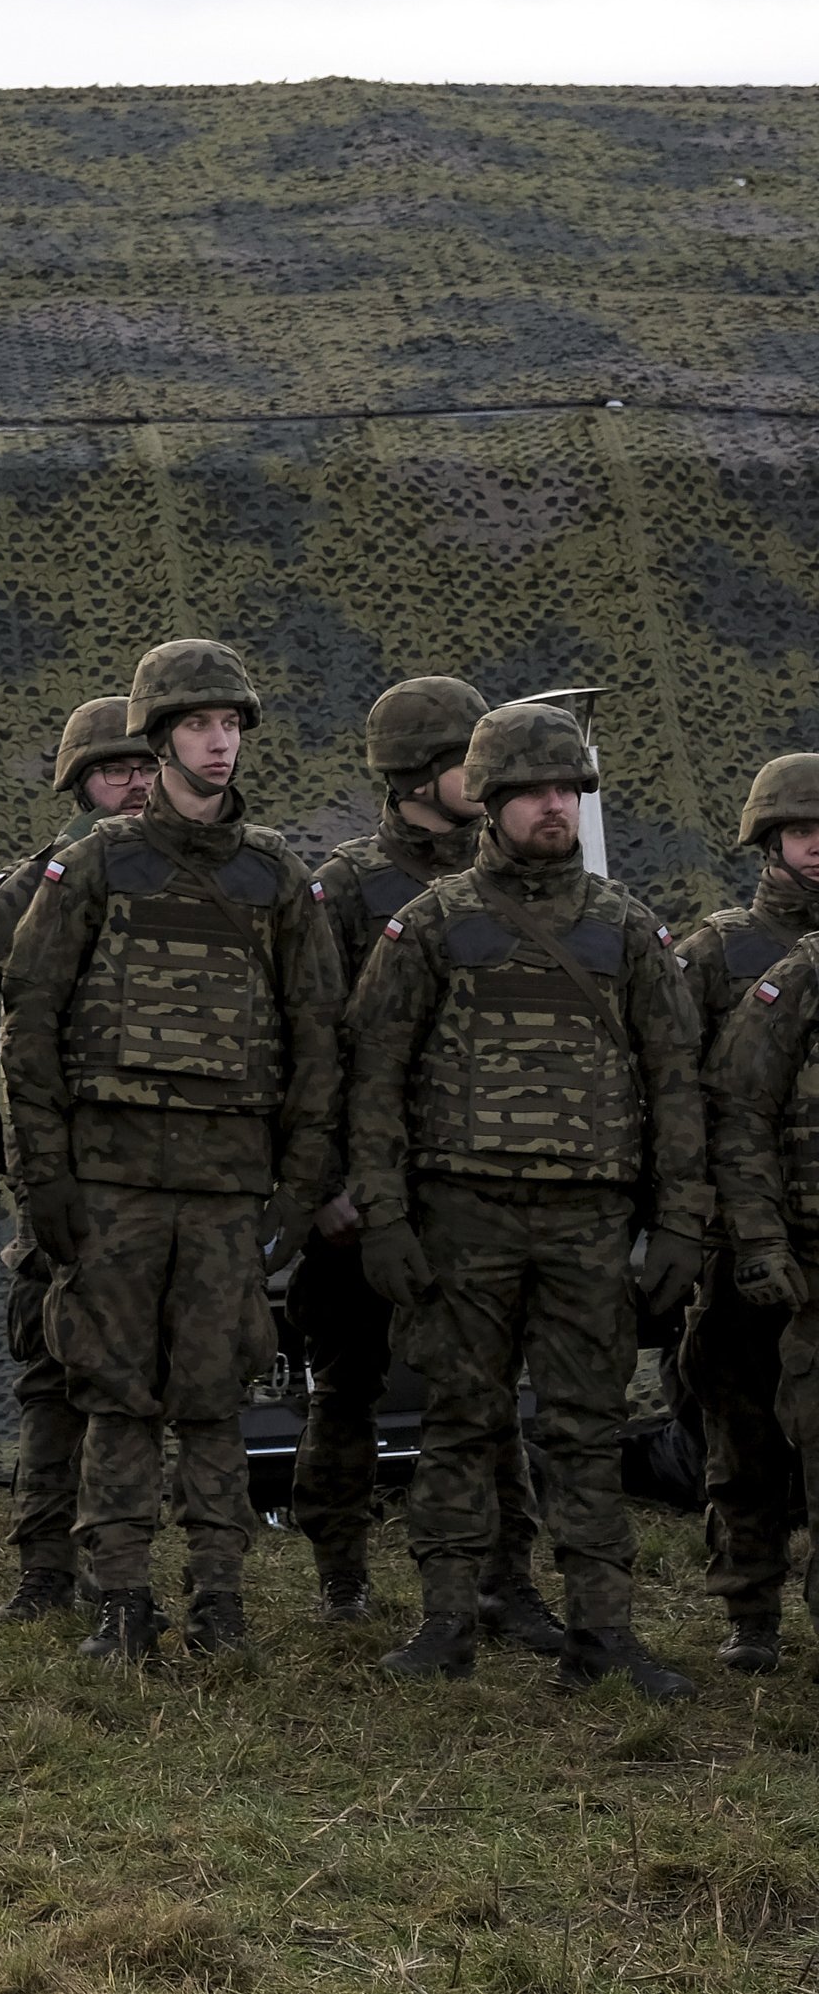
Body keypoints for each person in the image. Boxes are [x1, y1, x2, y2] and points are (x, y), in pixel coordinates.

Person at [345, 700, 709, 1698]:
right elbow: (373, 1074)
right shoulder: (430, 925)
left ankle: (605, 1636)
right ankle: (446, 1625)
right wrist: (380, 1210)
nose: (553, 808)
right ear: (492, 800)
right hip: (463, 1218)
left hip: (589, 1222)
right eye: (532, 792)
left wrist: (680, 1219)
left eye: (566, 791)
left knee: (584, 1427)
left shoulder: (626, 930)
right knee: (462, 1423)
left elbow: (676, 1082)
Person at [0, 643, 342, 1660]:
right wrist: (45, 1176)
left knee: (211, 1397)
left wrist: (298, 1180)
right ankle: (114, 1604)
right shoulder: (97, 865)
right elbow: (31, 1018)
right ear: (158, 739)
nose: (219, 743)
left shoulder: (274, 874)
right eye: (197, 725)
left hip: (226, 1185)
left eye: (231, 725)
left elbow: (316, 1031)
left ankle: (219, 1605)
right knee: (111, 1392)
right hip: (112, 1180)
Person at [299, 674, 552, 1639]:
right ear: (413, 773)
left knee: (482, 1388)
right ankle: (341, 1570)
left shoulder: (515, 885)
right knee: (348, 1382)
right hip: (367, 1190)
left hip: (471, 1187)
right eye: (464, 762)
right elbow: (313, 1043)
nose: (489, 778)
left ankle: (504, 1578)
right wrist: (329, 1186)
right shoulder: (348, 887)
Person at [0, 695, 153, 1619]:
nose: (135, 784)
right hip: (63, 1165)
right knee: (52, 1367)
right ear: (80, 782)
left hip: (166, 1161)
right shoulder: (54, 870)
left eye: (146, 767)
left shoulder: (194, 872)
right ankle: (43, 1569)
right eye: (114, 771)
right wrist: (74, 847)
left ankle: (146, 1572)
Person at [674, 753, 819, 1673]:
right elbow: (691, 1100)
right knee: (744, 1434)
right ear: (769, 841)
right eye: (807, 834)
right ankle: (750, 1611)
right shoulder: (720, 951)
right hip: (738, 1247)